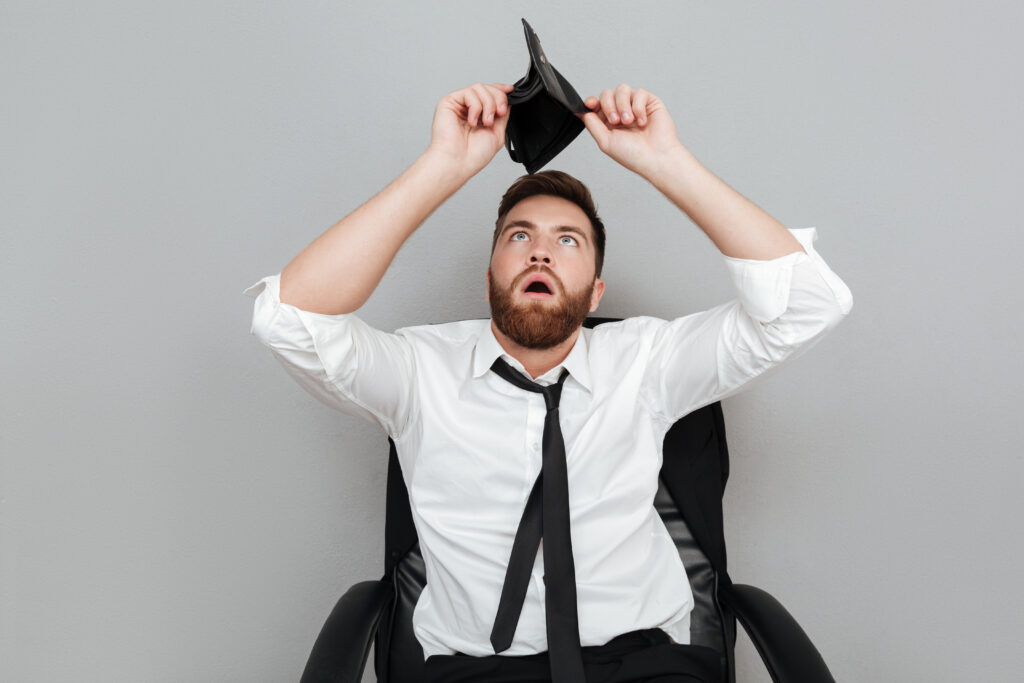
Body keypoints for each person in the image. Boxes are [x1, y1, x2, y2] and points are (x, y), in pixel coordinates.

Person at [244, 81, 853, 682]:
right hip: (473, 672)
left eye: (568, 241)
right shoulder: (415, 372)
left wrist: (666, 162)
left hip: (645, 666)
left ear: (595, 292)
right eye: (519, 237)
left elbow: (808, 306)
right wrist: (443, 166)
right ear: (489, 279)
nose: (541, 254)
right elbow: (289, 323)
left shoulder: (649, 361)